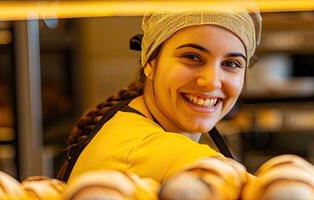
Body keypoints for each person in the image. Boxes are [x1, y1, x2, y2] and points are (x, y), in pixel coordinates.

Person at [58, 5, 261, 184]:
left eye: (231, 64)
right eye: (192, 57)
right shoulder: (159, 151)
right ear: (150, 62)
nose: (212, 81)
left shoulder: (129, 121)